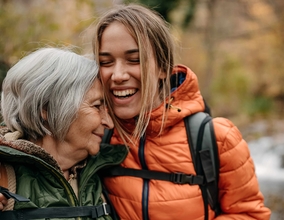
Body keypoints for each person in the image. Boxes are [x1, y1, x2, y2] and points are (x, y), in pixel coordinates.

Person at [93, 3, 271, 220]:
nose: (118, 75)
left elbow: (249, 214)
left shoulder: (217, 138)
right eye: (105, 62)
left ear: (162, 67)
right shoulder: (95, 135)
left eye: (135, 60)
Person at [0, 47, 128, 219]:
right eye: (97, 106)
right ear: (46, 108)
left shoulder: (104, 173)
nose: (109, 123)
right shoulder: (4, 176)